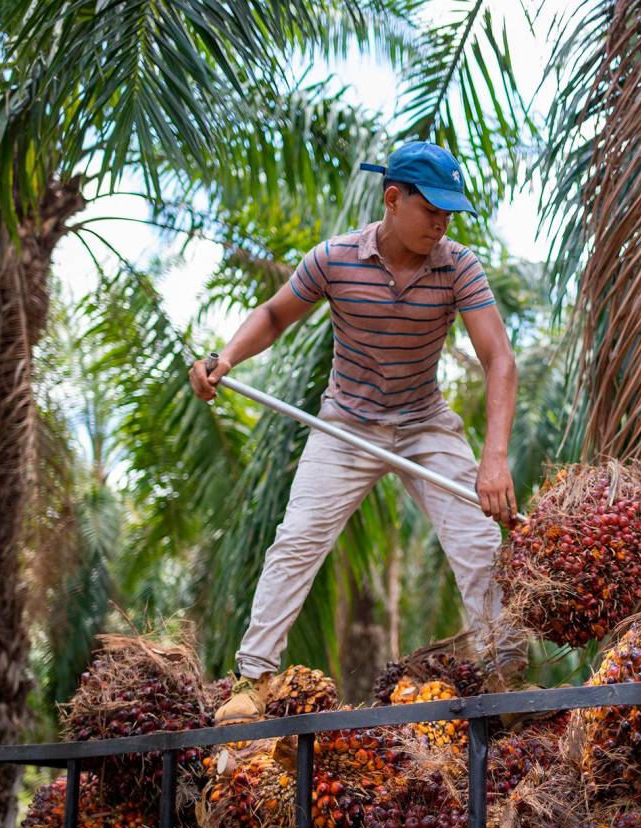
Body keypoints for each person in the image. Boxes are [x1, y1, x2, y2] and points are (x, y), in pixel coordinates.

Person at [189, 142, 526, 724]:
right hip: (345, 425)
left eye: (450, 212)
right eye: (433, 210)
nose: (442, 223)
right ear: (393, 199)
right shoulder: (334, 259)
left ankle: (506, 683)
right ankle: (253, 681)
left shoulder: (458, 265)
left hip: (425, 423)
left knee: (479, 544)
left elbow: (499, 358)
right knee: (296, 540)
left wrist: (493, 459)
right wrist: (226, 359)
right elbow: (272, 316)